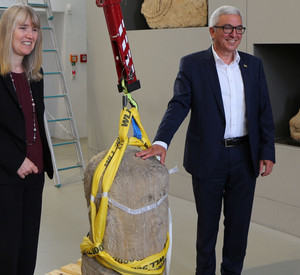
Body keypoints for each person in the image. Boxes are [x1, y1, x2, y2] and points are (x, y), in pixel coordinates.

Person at [136, 5, 275, 275]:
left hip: (245, 158)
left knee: (238, 227)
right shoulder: (193, 64)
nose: (233, 34)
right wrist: (161, 142)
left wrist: (267, 150)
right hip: (208, 158)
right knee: (207, 227)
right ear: (212, 31)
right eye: (227, 27)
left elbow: (264, 112)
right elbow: (178, 105)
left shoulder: (253, 65)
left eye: (238, 28)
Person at [0, 4, 53, 275]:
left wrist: (38, 162)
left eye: (34, 29)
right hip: (7, 175)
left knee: (28, 247)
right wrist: (15, 160)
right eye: (23, 27)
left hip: (36, 174)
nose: (30, 34)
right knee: (6, 250)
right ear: (8, 30)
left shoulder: (36, 76)